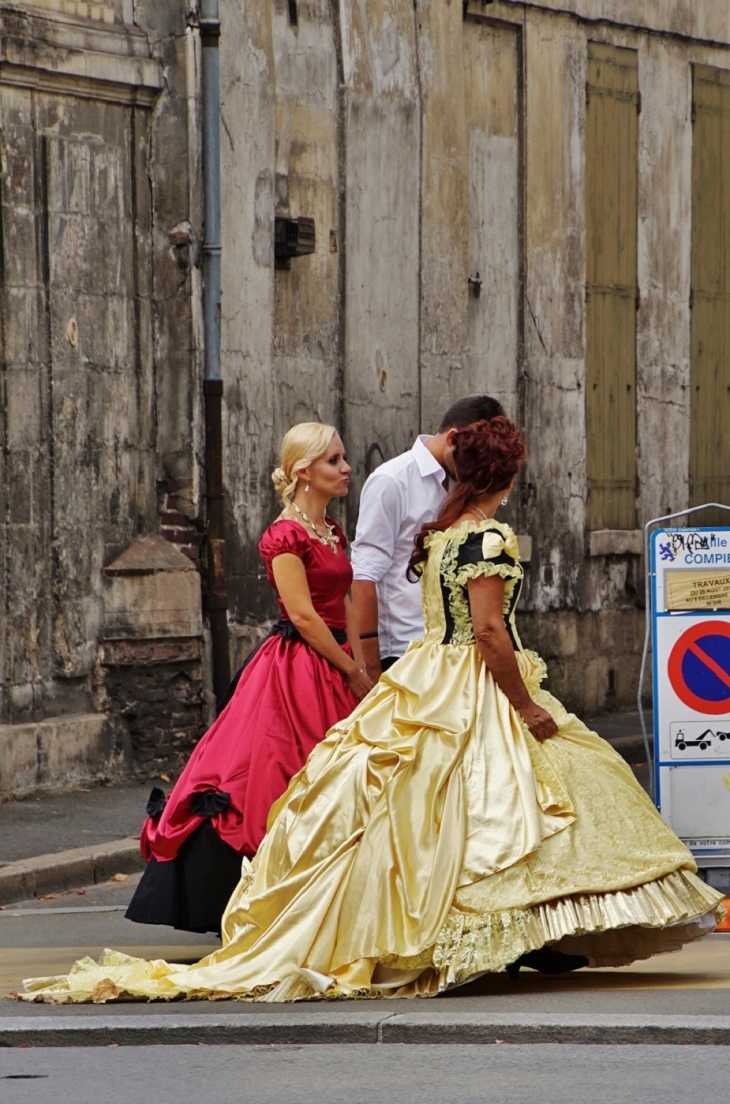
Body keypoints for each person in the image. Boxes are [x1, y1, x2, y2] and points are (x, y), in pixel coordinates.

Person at [22, 416, 723, 1003]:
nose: (343, 465)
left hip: (422, 674)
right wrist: (518, 703)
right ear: (504, 477)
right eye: (330, 458)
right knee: (484, 797)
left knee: (430, 800)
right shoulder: (479, 538)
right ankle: (481, 924)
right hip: (388, 670)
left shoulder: (441, 535)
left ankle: (507, 927)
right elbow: (481, 632)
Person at [123, 423, 373, 936]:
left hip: (337, 661)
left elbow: (344, 602)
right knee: (275, 773)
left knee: (344, 777)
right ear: (304, 472)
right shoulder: (284, 535)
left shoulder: (331, 531)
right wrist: (350, 669)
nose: (347, 469)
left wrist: (361, 664)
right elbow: (304, 617)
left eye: (345, 459)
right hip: (298, 669)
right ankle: (256, 900)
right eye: (335, 461)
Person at [351, 395, 504, 683]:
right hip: (403, 648)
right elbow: (363, 575)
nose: (476, 463)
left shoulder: (468, 480)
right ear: (453, 438)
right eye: (471, 452)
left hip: (456, 651)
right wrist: (370, 665)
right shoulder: (392, 480)